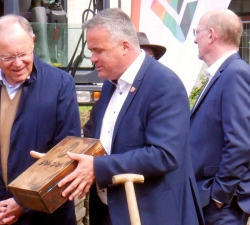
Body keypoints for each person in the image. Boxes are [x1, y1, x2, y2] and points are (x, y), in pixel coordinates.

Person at [57, 8, 203, 225]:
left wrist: (98, 168)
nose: (93, 58)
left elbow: (165, 154)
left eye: (98, 50)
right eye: (90, 51)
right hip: (110, 212)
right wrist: (58, 160)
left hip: (150, 215)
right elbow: (93, 136)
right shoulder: (110, 83)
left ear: (125, 46)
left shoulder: (164, 84)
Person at [0, 14, 81, 225]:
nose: (18, 63)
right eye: (8, 57)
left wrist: (23, 203)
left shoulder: (60, 84)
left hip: (46, 216)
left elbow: (67, 152)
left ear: (33, 41)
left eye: (24, 54)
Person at [190, 9, 250, 224]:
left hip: (221, 206)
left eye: (197, 32)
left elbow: (240, 143)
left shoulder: (235, 73)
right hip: (210, 199)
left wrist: (219, 194)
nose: (195, 39)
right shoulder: (224, 73)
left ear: (211, 35)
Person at [83, 31, 167, 138]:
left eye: (148, 57)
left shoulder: (162, 87)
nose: (144, 62)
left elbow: (162, 151)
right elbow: (91, 130)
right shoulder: (110, 84)